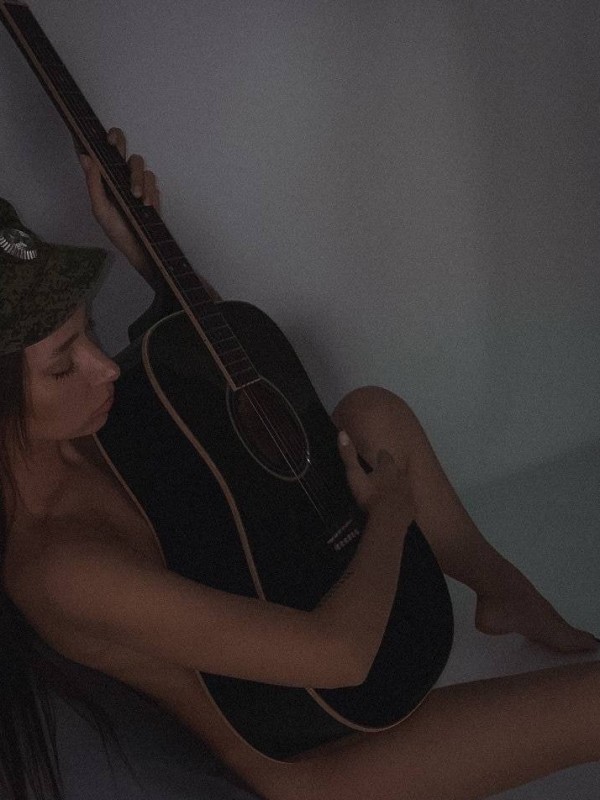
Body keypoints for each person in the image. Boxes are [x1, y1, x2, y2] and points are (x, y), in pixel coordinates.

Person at [0, 127, 598, 800]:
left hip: (283, 600)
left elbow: (224, 377)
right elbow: (339, 656)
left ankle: (501, 589)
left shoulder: (80, 430)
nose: (106, 367)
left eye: (89, 331)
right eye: (63, 365)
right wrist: (389, 517)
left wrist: (147, 249)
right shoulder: (60, 567)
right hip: (312, 753)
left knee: (373, 416)